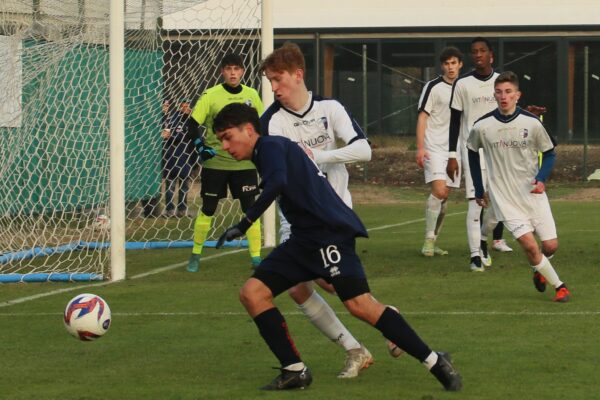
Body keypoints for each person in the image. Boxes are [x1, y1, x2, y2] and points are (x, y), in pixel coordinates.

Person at [211, 102, 463, 392]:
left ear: (249, 130)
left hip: (329, 235)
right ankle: (294, 370)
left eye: (228, 137)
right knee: (253, 294)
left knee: (359, 305)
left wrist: (243, 224)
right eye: (221, 140)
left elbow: (277, 182)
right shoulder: (269, 150)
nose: (226, 146)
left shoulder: (268, 147)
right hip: (304, 240)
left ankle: (435, 361)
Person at [259, 42, 374, 378]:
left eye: (278, 80)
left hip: (332, 214)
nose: (275, 88)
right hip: (295, 217)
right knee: (303, 285)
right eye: (270, 82)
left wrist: (319, 157)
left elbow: (364, 150)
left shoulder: (330, 108)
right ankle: (363, 341)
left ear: (298, 75)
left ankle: (369, 335)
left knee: (323, 283)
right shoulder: (273, 122)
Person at [467, 71, 571, 302]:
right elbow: (472, 153)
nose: (503, 96)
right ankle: (560, 287)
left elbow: (550, 153)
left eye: (508, 92)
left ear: (517, 95)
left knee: (550, 246)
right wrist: (477, 187)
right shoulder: (482, 126)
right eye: (499, 92)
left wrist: (542, 178)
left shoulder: (531, 123)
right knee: (530, 247)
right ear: (494, 94)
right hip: (504, 198)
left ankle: (539, 269)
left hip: (532, 194)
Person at [187, 53, 264, 272]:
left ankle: (256, 258)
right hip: (216, 164)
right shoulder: (211, 95)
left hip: (245, 164)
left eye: (237, 69)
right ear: (222, 71)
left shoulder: (252, 94)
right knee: (209, 209)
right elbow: (192, 124)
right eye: (228, 69)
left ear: (243, 71)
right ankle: (195, 254)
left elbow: (262, 123)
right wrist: (201, 147)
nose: (233, 73)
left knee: (250, 209)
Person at [446, 37, 512, 272]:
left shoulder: (500, 82)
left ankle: (484, 240)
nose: (478, 54)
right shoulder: (462, 84)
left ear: (490, 54)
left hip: (500, 152)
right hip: (472, 152)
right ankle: (474, 255)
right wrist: (452, 154)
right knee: (476, 203)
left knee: (496, 206)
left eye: (482, 50)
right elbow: (455, 121)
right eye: (474, 51)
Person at [416, 46, 464, 256]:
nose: (450, 67)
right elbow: (422, 117)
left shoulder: (464, 87)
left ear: (460, 64)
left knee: (445, 198)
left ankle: (433, 241)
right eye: (446, 63)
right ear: (442, 66)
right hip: (434, 147)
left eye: (454, 63)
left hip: (455, 150)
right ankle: (428, 240)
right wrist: (420, 148)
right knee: (439, 191)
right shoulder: (433, 87)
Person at [161, 100, 197, 217]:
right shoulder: (173, 120)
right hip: (172, 157)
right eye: (183, 107)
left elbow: (192, 136)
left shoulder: (192, 121)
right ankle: (169, 209)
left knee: (184, 186)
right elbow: (166, 130)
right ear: (179, 108)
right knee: (170, 184)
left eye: (188, 107)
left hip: (186, 158)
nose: (186, 109)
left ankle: (182, 210)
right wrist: (164, 114)